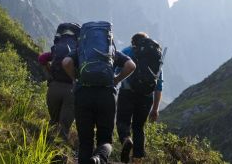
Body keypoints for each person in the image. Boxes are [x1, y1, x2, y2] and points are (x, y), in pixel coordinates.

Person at [62, 21, 136, 164]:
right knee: (105, 141)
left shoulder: (81, 51)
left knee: (85, 142)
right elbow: (131, 65)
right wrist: (116, 80)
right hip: (106, 96)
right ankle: (98, 159)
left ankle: (91, 159)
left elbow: (66, 62)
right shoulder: (112, 52)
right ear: (109, 37)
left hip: (83, 95)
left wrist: (74, 79)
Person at [116, 32, 164, 163]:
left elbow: (115, 70)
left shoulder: (127, 51)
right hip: (146, 97)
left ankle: (126, 139)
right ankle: (137, 159)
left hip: (127, 93)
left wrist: (115, 80)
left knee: (122, 122)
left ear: (133, 42)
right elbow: (158, 86)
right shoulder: (156, 57)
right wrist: (155, 109)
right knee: (139, 128)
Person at [38, 23, 80, 141]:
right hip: (71, 91)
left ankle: (42, 147)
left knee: (53, 122)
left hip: (54, 88)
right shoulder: (78, 52)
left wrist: (49, 75)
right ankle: (59, 153)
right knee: (64, 129)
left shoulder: (56, 49)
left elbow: (41, 59)